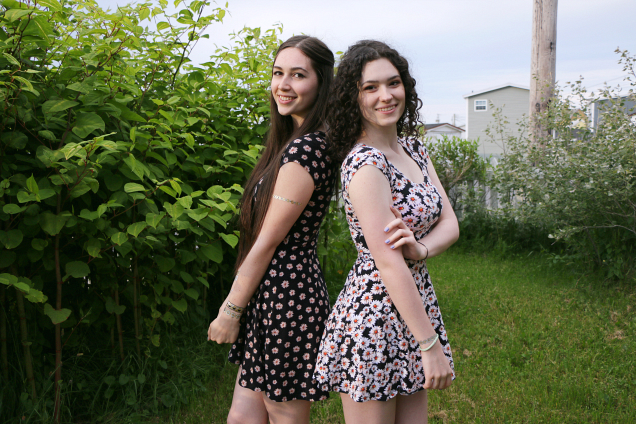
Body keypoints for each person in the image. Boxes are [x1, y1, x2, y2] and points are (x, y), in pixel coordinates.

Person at [314, 40, 458, 424]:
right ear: (353, 97)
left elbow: (450, 223)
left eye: (393, 83)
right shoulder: (365, 164)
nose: (386, 95)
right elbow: (388, 262)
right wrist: (430, 345)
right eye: (370, 87)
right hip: (374, 315)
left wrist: (421, 249)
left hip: (413, 304)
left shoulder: (414, 149)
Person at [206, 35, 335, 424]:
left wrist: (231, 310)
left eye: (298, 75)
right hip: (271, 294)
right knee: (242, 417)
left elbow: (268, 241)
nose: (284, 84)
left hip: (288, 298)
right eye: (278, 73)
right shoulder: (292, 142)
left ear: (321, 82)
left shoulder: (307, 149)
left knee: (284, 415)